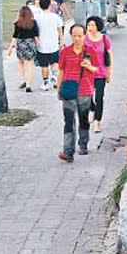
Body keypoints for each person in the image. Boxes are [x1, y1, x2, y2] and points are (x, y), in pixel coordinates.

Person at [56, 24, 98, 162]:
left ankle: (83, 143)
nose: (77, 38)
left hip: (85, 91)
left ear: (85, 35)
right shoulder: (65, 52)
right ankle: (68, 151)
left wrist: (89, 66)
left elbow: (96, 69)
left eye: (80, 35)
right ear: (70, 35)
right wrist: (58, 88)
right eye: (74, 35)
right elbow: (61, 70)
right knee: (68, 121)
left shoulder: (90, 51)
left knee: (83, 119)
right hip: (68, 90)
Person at [83, 16, 113, 133]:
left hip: (101, 73)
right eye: (89, 25)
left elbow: (110, 56)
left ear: (98, 26)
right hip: (87, 73)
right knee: (88, 97)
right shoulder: (84, 39)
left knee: (99, 97)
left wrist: (109, 72)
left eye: (93, 25)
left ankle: (97, 122)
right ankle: (92, 108)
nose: (90, 27)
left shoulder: (105, 39)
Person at [6, 6, 40, 92]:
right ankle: (28, 85)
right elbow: (36, 36)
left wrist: (10, 48)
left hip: (21, 44)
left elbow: (15, 37)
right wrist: (38, 46)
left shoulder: (17, 23)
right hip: (30, 43)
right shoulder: (33, 22)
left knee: (20, 63)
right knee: (30, 64)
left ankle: (22, 80)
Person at [35, 0, 64, 90]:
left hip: (41, 46)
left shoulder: (37, 18)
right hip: (54, 44)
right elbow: (60, 31)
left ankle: (45, 82)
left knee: (44, 65)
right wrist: (61, 43)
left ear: (40, 5)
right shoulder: (55, 17)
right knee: (55, 62)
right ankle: (54, 77)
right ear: (49, 5)